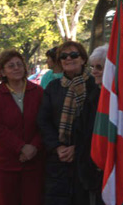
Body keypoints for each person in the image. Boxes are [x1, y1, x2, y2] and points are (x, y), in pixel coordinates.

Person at [37, 41, 99, 205]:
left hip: (87, 159)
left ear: (83, 59)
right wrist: (58, 147)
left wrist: (77, 148)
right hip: (58, 160)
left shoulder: (95, 85)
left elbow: (96, 123)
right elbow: (44, 120)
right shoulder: (53, 87)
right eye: (63, 56)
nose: (68, 59)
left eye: (74, 55)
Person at [0, 49, 44, 205]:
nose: (16, 68)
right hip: (5, 165)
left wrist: (33, 147)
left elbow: (45, 123)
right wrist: (21, 147)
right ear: (3, 72)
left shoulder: (38, 92)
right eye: (11, 66)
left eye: (19, 64)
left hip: (34, 163)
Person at [75, 44, 108, 205]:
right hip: (91, 170)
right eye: (92, 66)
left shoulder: (117, 100)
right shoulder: (93, 95)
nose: (94, 71)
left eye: (99, 67)